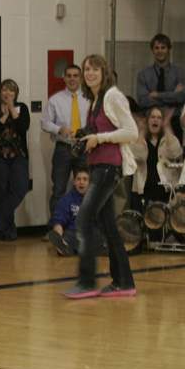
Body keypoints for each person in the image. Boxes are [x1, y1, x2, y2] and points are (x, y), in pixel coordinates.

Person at [64, 53, 138, 299]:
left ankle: (87, 282)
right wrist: (87, 136)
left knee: (84, 220)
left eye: (95, 69)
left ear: (104, 72)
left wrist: (100, 138)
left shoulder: (113, 95)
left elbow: (131, 132)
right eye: (87, 69)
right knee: (108, 227)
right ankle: (124, 282)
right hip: (98, 165)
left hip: (109, 167)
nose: (90, 73)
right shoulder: (95, 99)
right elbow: (103, 129)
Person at [0, 78, 30, 240]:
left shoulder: (22, 108)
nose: (7, 93)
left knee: (21, 187)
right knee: (0, 192)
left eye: (11, 90)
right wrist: (4, 115)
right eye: (4, 89)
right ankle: (6, 231)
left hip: (18, 155)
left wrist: (12, 109)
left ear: (16, 93)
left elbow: (23, 127)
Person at [41, 64, 90, 214]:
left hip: (84, 149)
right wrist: (59, 129)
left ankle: (81, 226)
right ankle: (56, 228)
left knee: (85, 189)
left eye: (75, 75)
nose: (72, 79)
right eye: (69, 75)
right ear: (64, 78)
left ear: (81, 78)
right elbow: (44, 123)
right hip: (64, 149)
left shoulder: (89, 99)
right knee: (59, 189)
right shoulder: (55, 99)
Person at [135, 33, 185, 136]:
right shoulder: (143, 74)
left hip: (174, 121)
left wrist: (157, 95)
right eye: (156, 48)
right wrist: (172, 96)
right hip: (150, 122)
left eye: (163, 47)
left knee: (174, 151)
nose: (160, 51)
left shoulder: (180, 72)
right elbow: (142, 101)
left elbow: (181, 97)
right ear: (152, 50)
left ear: (169, 49)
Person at [131, 106, 183, 211]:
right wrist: (141, 131)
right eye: (152, 117)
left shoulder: (168, 140)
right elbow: (137, 156)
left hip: (165, 191)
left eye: (159, 118)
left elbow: (176, 153)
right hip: (144, 191)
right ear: (147, 121)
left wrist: (167, 127)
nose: (155, 120)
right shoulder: (139, 140)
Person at [47, 167, 90, 256]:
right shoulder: (66, 200)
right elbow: (58, 221)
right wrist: (58, 236)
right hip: (73, 232)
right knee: (69, 238)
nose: (81, 182)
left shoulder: (95, 199)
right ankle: (63, 246)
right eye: (78, 179)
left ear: (89, 183)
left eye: (85, 179)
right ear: (74, 182)